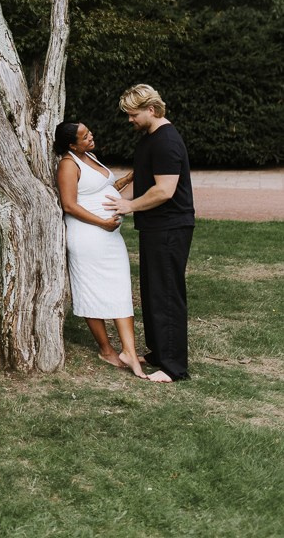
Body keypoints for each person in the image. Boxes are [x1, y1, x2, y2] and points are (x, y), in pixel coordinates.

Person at [103, 84, 195, 384]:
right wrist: (126, 179)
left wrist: (129, 206)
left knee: (167, 294)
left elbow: (164, 190)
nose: (130, 120)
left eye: (133, 114)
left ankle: (174, 367)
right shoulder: (150, 137)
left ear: (152, 110)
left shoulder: (166, 141)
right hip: (155, 227)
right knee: (154, 292)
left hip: (170, 227)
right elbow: (148, 172)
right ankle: (158, 353)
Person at [55, 121, 146, 378]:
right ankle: (106, 350)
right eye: (84, 136)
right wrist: (103, 222)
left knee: (120, 288)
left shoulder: (90, 157)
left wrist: (129, 178)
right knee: (91, 290)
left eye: (89, 132)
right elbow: (70, 205)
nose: (90, 136)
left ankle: (129, 351)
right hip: (88, 236)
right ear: (72, 144)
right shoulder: (68, 164)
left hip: (109, 236)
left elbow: (103, 189)